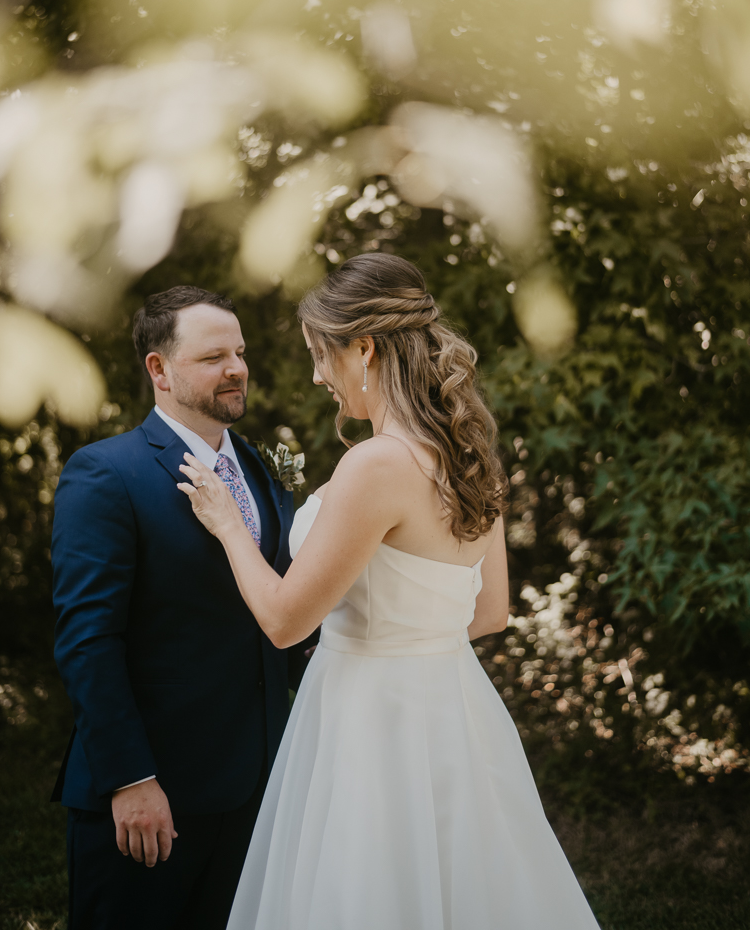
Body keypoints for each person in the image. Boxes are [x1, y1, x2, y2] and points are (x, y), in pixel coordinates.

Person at [178, 253, 601, 930]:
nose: (318, 374)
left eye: (322, 354)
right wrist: (404, 637)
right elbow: (490, 613)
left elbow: (286, 622)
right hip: (454, 708)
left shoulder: (376, 463)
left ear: (365, 348)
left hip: (369, 716)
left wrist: (228, 526)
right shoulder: (472, 455)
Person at [51, 285, 314, 930]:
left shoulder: (259, 465)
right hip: (153, 795)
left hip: (256, 789)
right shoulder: (106, 474)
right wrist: (130, 779)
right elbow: (88, 640)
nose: (235, 369)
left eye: (240, 353)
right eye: (212, 357)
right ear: (159, 370)